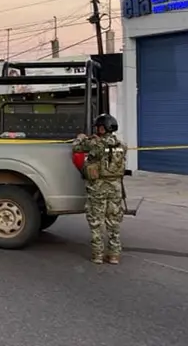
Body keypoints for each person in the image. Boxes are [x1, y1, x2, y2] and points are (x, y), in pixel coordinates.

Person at [72, 113, 127, 265]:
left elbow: (76, 147)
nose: (97, 129)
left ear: (103, 128)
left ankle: (98, 254)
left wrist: (81, 137)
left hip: (97, 187)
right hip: (115, 187)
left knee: (96, 221)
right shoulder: (122, 145)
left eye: (98, 127)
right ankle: (114, 255)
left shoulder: (95, 144)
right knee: (113, 221)